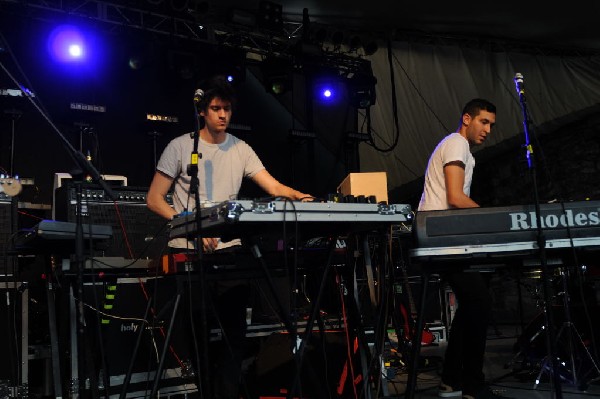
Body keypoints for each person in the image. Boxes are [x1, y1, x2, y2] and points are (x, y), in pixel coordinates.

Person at [147, 75, 310, 398]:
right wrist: (191, 226)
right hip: (189, 255)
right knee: (199, 338)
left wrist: (302, 198)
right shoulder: (180, 147)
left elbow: (274, 187)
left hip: (229, 254)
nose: (222, 115)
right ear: (202, 112)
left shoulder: (241, 149)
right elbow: (154, 199)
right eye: (216, 108)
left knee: (235, 336)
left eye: (227, 109)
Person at [418, 99, 507, 399]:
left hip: (445, 237)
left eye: (492, 125)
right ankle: (472, 385)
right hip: (438, 238)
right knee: (479, 302)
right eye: (483, 122)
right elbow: (455, 198)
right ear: (467, 119)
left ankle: (452, 380)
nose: (488, 130)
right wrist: (495, 219)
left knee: (473, 303)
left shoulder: (464, 151)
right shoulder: (456, 143)